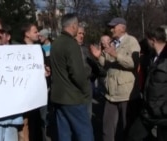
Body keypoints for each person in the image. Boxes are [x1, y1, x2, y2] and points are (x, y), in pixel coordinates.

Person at [90, 17, 141, 141]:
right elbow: (106, 64)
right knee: (107, 129)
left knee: (127, 129)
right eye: (110, 27)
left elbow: (133, 64)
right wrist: (98, 57)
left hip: (126, 94)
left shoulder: (131, 41)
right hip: (110, 94)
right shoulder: (112, 43)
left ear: (122, 28)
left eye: (113, 26)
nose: (111, 29)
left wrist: (116, 55)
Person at [50, 13, 94, 141]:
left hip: (58, 96)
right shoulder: (71, 44)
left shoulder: (56, 43)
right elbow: (78, 74)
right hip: (72, 97)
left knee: (64, 132)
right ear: (73, 26)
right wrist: (86, 91)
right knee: (85, 132)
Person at [126, 27, 167, 141]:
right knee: (133, 136)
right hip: (149, 110)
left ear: (153, 40)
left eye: (147, 40)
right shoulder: (152, 57)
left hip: (163, 113)